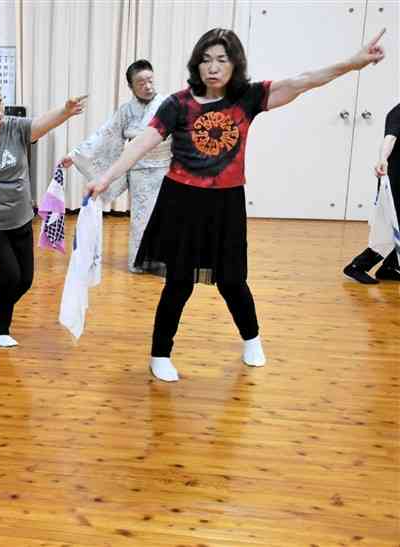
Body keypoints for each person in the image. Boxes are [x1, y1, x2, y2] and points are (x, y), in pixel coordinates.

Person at [86, 27, 386, 382]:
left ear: (235, 65)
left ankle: (252, 339)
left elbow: (303, 81)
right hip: (181, 201)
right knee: (178, 283)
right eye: (206, 60)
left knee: (233, 281)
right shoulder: (178, 104)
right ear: (196, 65)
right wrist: (105, 179)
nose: (212, 67)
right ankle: (160, 354)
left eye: (222, 60)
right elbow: (139, 145)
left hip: (226, 202)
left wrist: (352, 64)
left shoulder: (246, 98)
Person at [0, 77, 87, 347]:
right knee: (8, 277)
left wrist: (65, 112)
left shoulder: (16, 129)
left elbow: (42, 123)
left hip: (19, 216)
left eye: (0, 101)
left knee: (24, 280)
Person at [62, 59, 171, 273]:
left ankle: (166, 261)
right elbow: (105, 134)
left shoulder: (169, 104)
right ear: (131, 86)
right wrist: (75, 155)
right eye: (141, 82)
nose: (148, 86)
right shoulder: (126, 111)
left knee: (167, 217)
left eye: (150, 80)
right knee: (142, 218)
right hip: (140, 170)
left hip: (167, 169)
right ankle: (141, 262)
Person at [342, 101, 400, 283]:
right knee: (387, 227)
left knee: (394, 226)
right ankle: (357, 266)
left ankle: (389, 267)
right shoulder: (398, 112)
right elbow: (390, 138)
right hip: (394, 179)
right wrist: (383, 159)